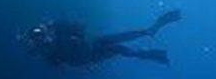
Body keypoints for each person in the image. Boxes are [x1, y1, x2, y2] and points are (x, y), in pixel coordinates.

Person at [22, 10, 181, 68]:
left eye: (41, 33)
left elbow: (80, 28)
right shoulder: (43, 49)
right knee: (119, 49)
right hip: (86, 57)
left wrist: (57, 27)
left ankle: (149, 31)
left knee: (119, 38)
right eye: (38, 37)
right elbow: (58, 64)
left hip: (91, 43)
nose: (42, 37)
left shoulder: (57, 29)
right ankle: (150, 54)